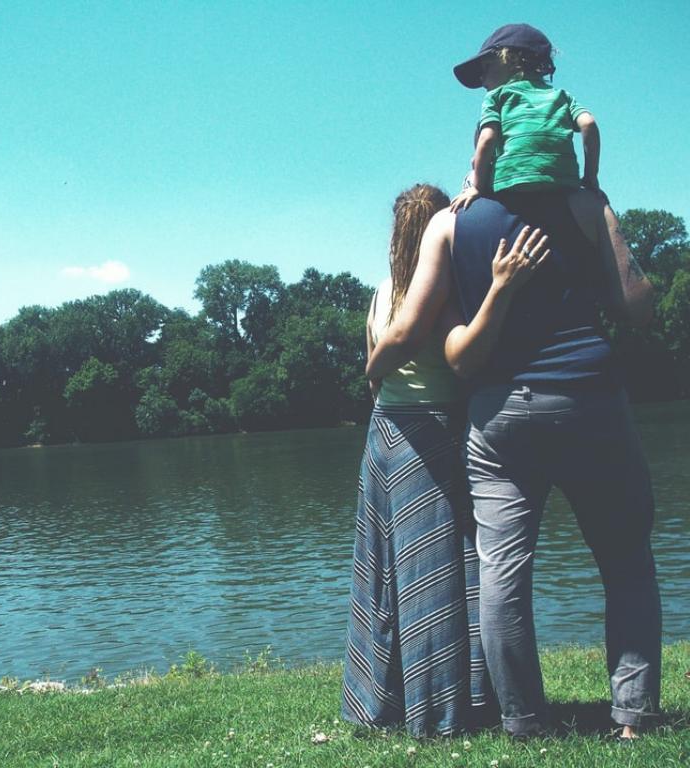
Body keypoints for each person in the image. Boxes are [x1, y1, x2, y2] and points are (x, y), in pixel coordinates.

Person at [367, 183, 659, 739]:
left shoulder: (452, 223)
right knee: (626, 563)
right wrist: (603, 219)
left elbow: (455, 355)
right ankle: (634, 717)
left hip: (499, 414)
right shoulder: (584, 204)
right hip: (591, 400)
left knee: (502, 572)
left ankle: (524, 721)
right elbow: (638, 307)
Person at [341, 183, 543, 736]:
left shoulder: (382, 292)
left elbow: (374, 368)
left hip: (385, 432)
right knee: (443, 571)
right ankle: (447, 709)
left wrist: (374, 374)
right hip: (435, 429)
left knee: (387, 573)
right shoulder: (448, 289)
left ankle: (382, 702)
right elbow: (456, 358)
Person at [449, 23, 599, 212]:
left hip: (512, 180)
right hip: (563, 182)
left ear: (511, 59)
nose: (482, 79)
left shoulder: (496, 96)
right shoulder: (561, 96)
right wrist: (590, 177)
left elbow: (487, 139)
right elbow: (589, 123)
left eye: (486, 68)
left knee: (472, 175)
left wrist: (477, 187)